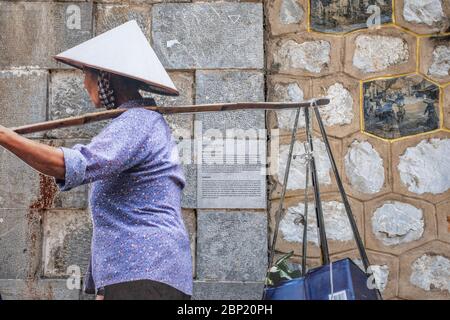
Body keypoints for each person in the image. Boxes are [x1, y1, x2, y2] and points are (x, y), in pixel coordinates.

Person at [0, 20, 193, 300]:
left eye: (86, 74)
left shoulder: (139, 122)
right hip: (133, 276)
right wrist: (99, 287)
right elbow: (117, 217)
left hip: (145, 274)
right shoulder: (136, 123)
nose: (83, 82)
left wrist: (4, 136)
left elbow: (69, 165)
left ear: (105, 78)